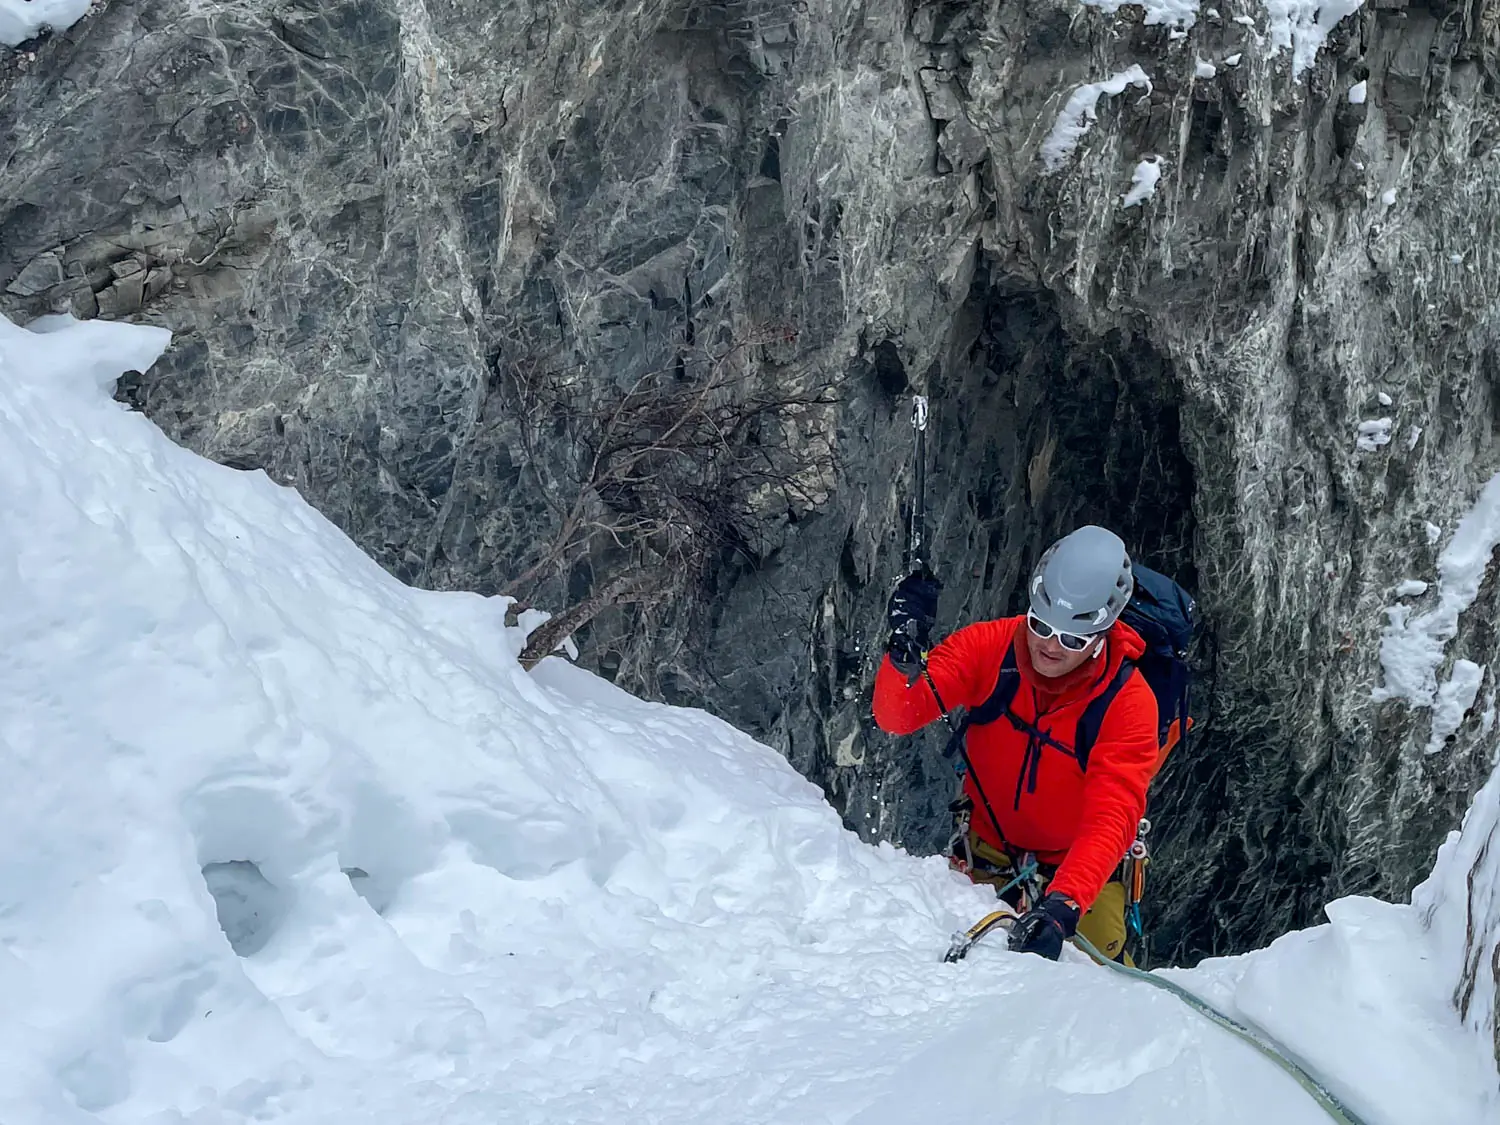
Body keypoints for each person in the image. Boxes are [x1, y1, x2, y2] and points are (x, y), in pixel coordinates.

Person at [873, 525, 1160, 962]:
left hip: (1080, 865)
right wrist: (900, 656)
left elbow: (1113, 813)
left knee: (1094, 968)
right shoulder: (990, 648)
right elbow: (898, 716)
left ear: (1103, 635)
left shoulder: (1129, 704)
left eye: (1072, 639)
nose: (1049, 646)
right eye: (1040, 625)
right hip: (984, 848)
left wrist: (1064, 904)